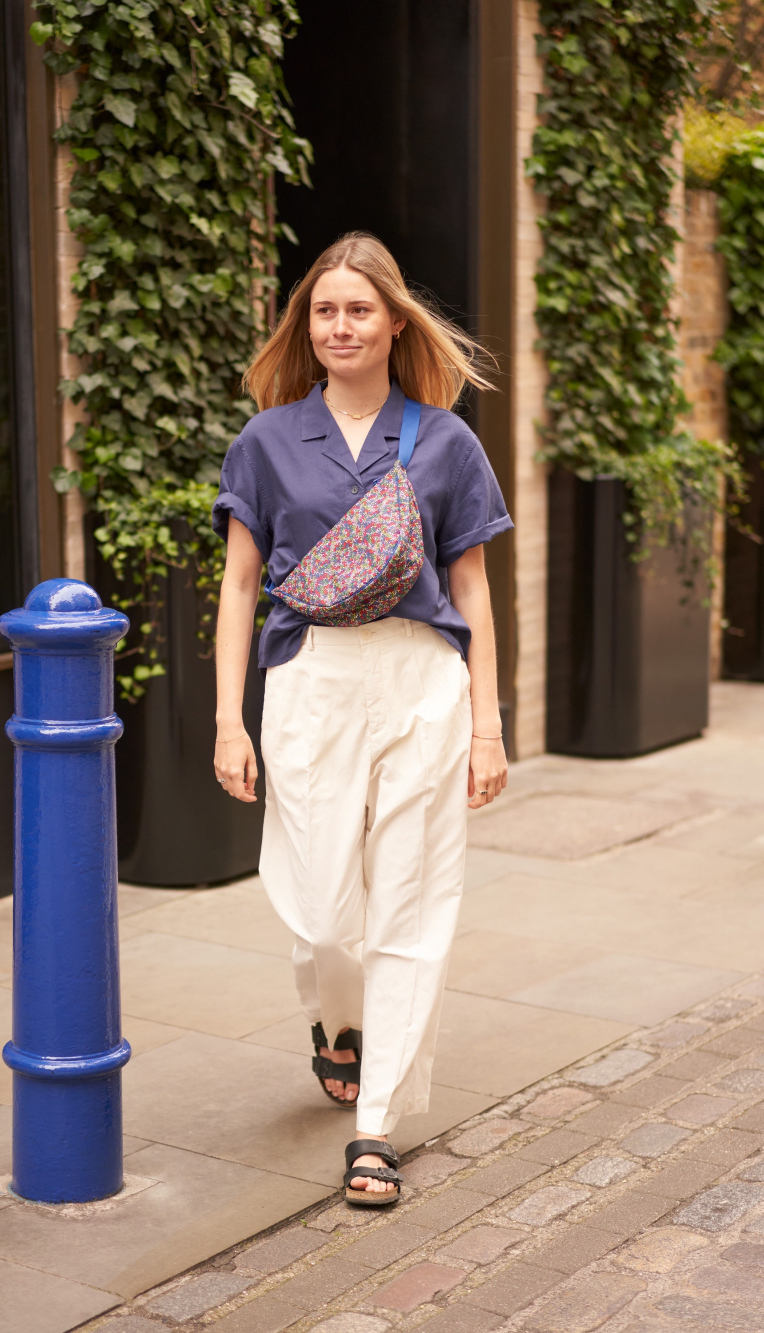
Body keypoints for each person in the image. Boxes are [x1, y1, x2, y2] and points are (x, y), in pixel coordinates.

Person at [211, 232, 512, 1205]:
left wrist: (487, 724)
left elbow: (470, 588)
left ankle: (376, 1122)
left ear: (393, 322)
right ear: (307, 326)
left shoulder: (446, 440)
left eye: (358, 309)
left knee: (411, 903)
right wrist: (229, 718)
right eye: (323, 311)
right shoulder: (265, 440)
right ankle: (338, 1021)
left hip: (421, 679)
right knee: (321, 910)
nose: (340, 326)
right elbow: (239, 584)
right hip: (311, 681)